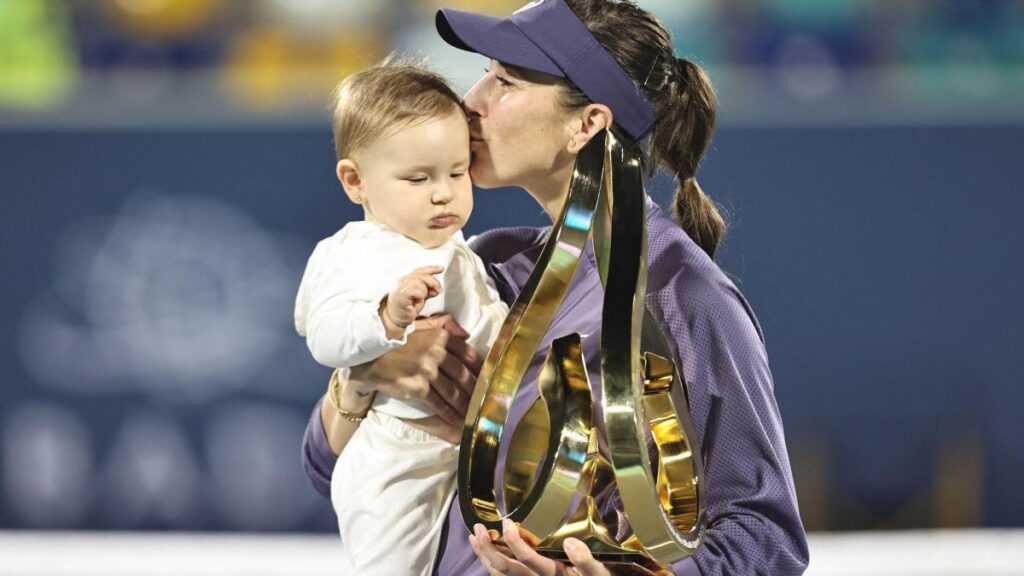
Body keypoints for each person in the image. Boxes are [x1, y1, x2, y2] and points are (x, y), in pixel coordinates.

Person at [301, 1, 810, 574]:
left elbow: (765, 539)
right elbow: (323, 466)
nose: (470, 103)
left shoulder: (686, 295)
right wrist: (364, 378)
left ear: (587, 124)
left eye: (505, 82)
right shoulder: (488, 262)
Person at [293, 60, 508, 575]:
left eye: (457, 172)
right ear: (355, 181)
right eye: (418, 178)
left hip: (460, 454)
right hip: (395, 458)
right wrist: (386, 320)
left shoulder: (462, 251)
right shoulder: (353, 252)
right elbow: (323, 333)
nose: (443, 192)